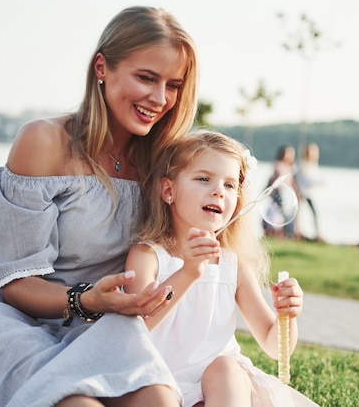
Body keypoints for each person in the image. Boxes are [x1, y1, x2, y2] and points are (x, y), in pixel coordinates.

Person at [0, 6, 200, 407]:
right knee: (77, 404)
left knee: (158, 400)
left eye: (174, 85)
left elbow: (215, 219)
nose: (160, 99)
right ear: (102, 67)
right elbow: (16, 282)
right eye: (146, 77)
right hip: (8, 316)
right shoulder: (44, 141)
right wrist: (88, 298)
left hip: (100, 322)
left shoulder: (165, 161)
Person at [124, 130, 319, 406]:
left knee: (225, 367)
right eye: (203, 179)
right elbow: (139, 327)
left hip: (222, 389)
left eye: (229, 185)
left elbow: (273, 344)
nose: (218, 190)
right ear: (169, 190)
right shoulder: (148, 256)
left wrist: (288, 315)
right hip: (159, 379)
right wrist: (188, 272)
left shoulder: (231, 264)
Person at [263, 144, 298, 238]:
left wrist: (296, 193)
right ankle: (279, 233)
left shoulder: (291, 167)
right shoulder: (277, 165)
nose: (289, 156)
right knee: (279, 214)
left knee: (288, 215)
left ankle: (288, 234)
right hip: (279, 194)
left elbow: (292, 182)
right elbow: (273, 180)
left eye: (291, 154)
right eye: (287, 153)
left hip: (288, 195)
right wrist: (266, 191)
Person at [295, 143, 323, 242]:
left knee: (313, 212)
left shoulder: (313, 165)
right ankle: (297, 231)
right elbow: (303, 179)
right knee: (298, 213)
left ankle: (316, 232)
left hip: (309, 193)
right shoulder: (302, 164)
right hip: (302, 192)